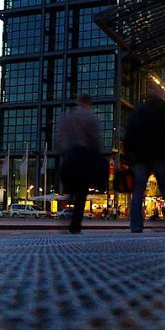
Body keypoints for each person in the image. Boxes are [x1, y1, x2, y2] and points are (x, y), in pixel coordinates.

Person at [123, 93, 165, 233]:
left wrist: (129, 157)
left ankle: (135, 225)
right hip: (159, 155)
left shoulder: (137, 113)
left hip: (141, 157)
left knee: (138, 191)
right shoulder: (164, 112)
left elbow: (128, 135)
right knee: (163, 186)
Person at [55, 94, 103, 234]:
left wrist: (63, 152)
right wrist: (97, 156)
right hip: (83, 157)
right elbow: (95, 140)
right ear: (88, 103)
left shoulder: (66, 117)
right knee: (81, 192)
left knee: (71, 190)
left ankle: (68, 216)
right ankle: (75, 224)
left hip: (69, 157)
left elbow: (59, 139)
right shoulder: (90, 118)